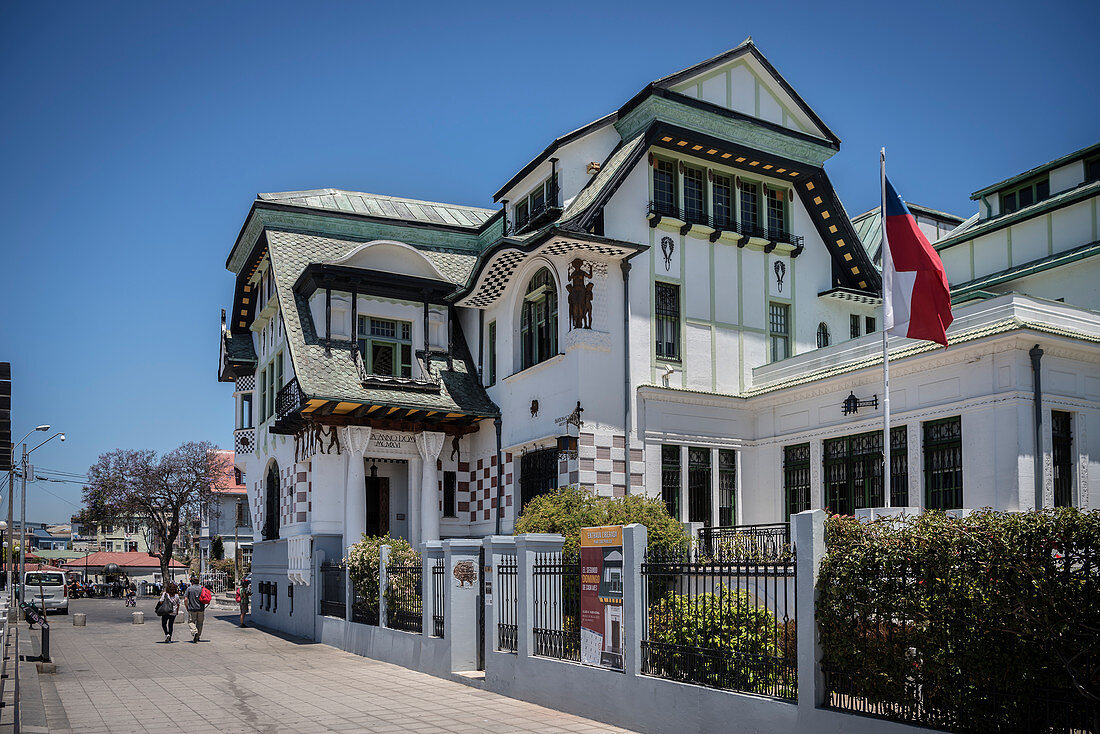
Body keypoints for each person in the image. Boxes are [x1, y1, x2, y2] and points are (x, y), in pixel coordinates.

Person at [184, 575, 208, 642]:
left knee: (191, 622)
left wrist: (187, 607)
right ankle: (198, 636)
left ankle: (195, 632)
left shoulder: (189, 589)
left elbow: (185, 599)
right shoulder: (202, 588)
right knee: (200, 623)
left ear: (192, 582)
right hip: (201, 608)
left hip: (192, 608)